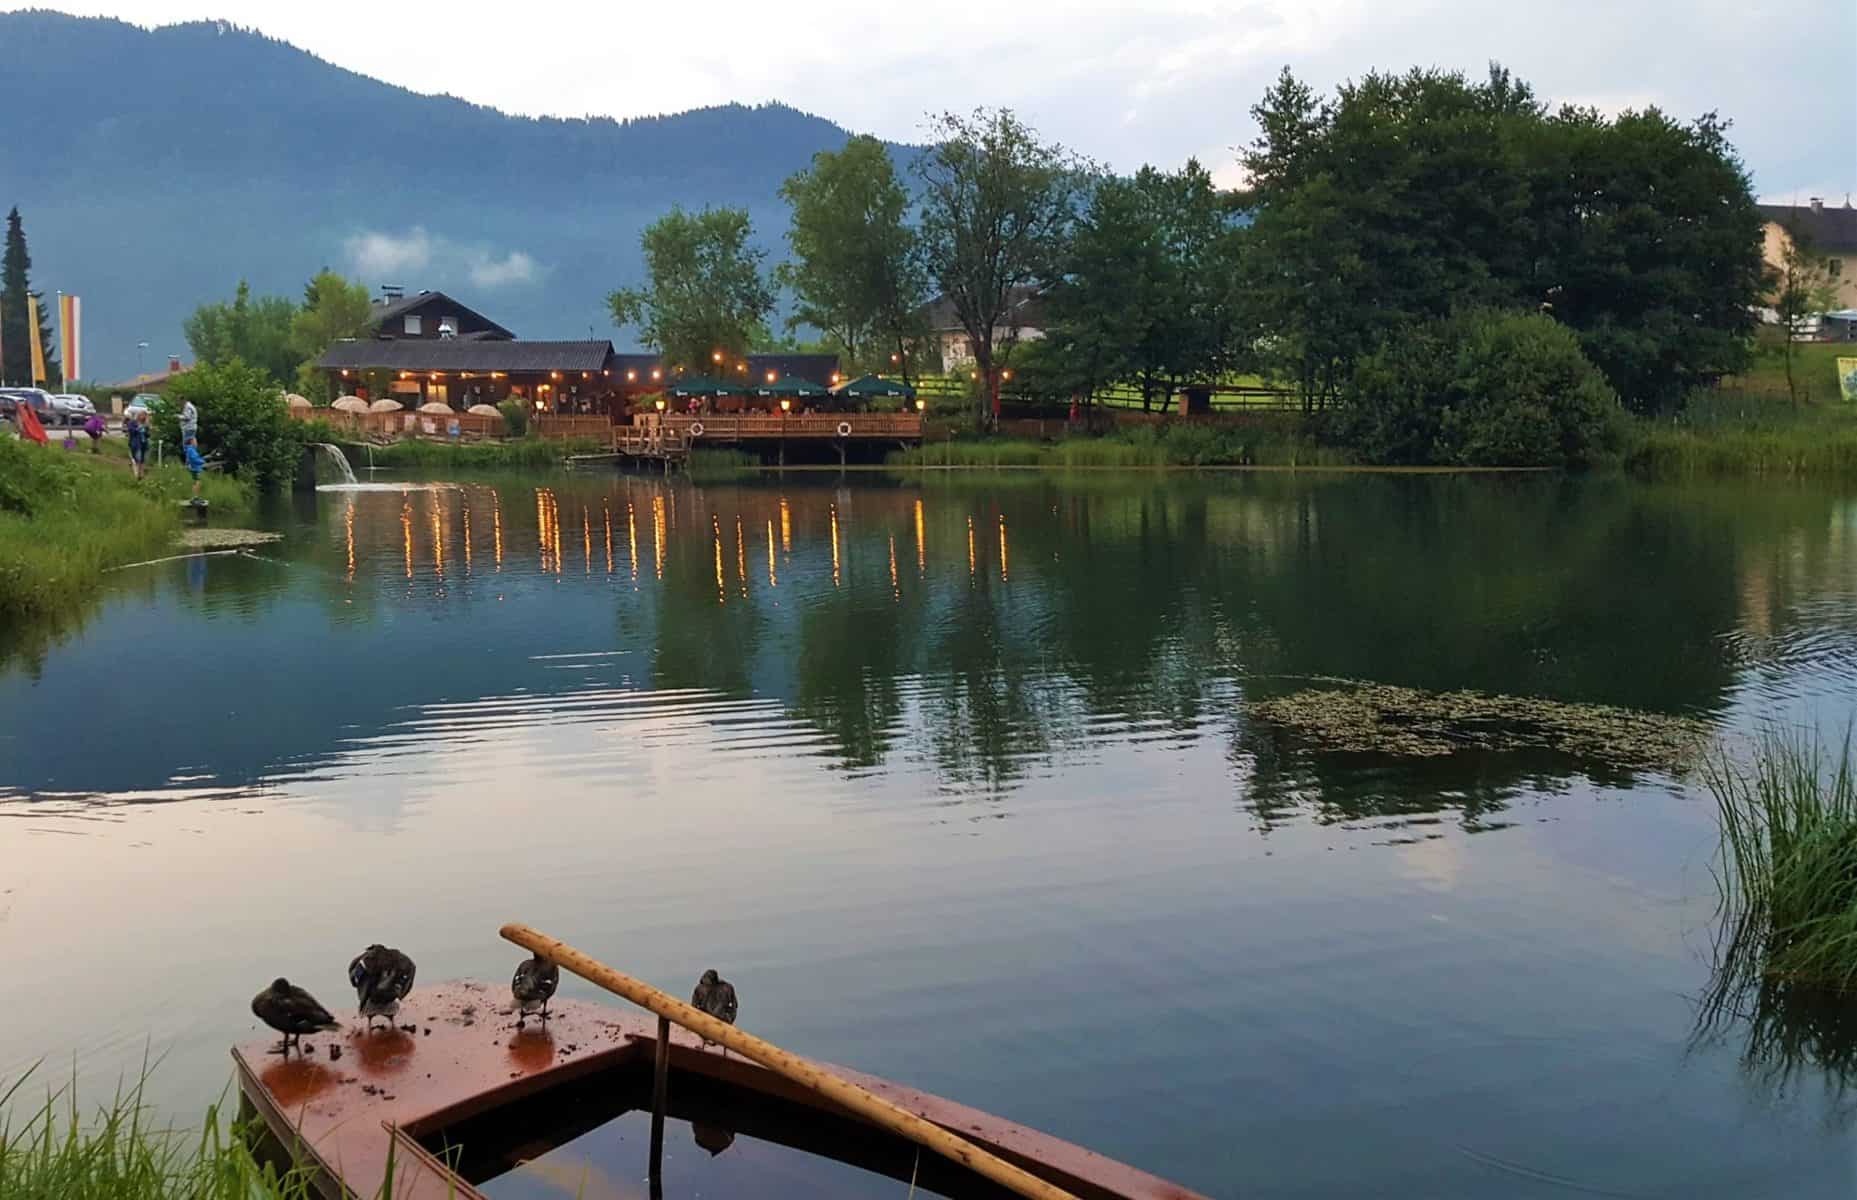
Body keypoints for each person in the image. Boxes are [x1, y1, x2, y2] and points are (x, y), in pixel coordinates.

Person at [126, 410, 149, 479]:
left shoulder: (145, 424)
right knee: (137, 458)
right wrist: (139, 428)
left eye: (145, 415)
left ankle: (141, 475)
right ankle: (137, 474)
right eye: (142, 415)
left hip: (143, 443)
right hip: (135, 443)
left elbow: (148, 435)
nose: (144, 417)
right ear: (139, 416)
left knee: (142, 459)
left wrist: (147, 428)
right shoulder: (132, 422)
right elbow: (131, 431)